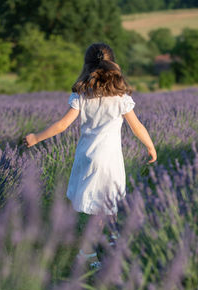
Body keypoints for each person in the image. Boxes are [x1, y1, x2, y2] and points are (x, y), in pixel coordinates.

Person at [23, 42, 157, 270]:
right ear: (113, 65)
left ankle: (88, 251)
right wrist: (150, 147)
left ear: (87, 66)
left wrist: (36, 137)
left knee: (94, 206)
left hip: (88, 158)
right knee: (110, 202)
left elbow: (62, 125)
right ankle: (105, 244)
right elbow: (138, 127)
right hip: (111, 160)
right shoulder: (121, 98)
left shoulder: (82, 95)